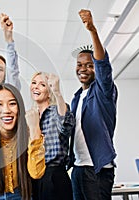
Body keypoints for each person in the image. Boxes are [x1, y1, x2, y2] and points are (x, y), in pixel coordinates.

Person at [68, 9, 118, 200]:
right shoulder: (77, 97)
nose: (83, 68)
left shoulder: (103, 91)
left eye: (89, 65)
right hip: (79, 168)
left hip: (97, 170)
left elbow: (103, 65)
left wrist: (92, 30)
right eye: (79, 64)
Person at [29, 72, 75, 200]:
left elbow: (65, 123)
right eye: (34, 83)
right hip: (34, 176)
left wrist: (57, 92)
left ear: (49, 92)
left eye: (42, 84)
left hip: (54, 177)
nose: (36, 87)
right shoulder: (31, 116)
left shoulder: (57, 111)